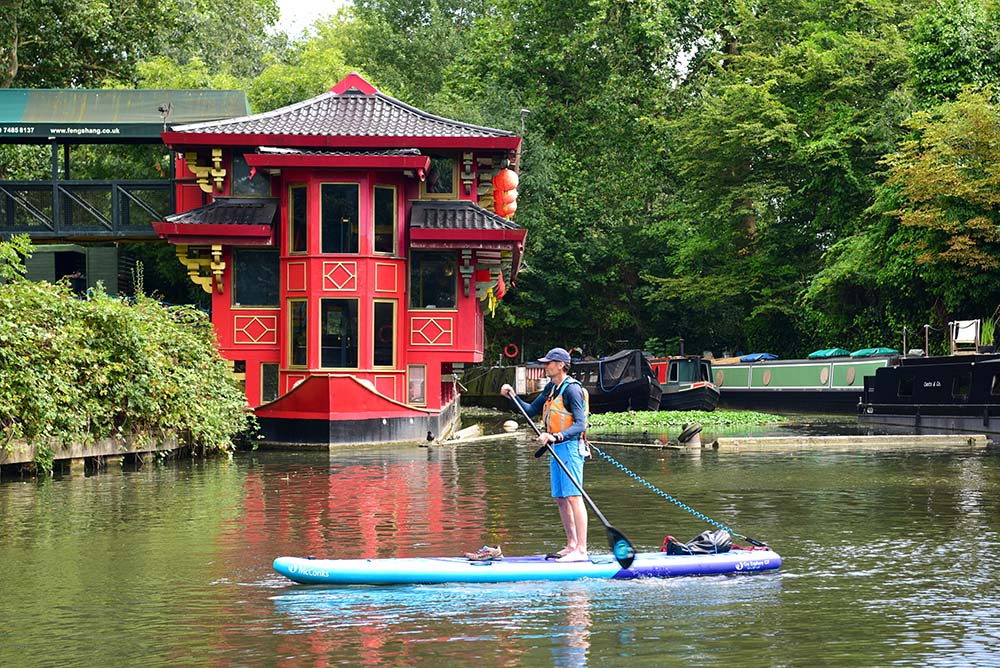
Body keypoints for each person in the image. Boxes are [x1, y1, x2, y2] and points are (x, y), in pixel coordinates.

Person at [501, 347, 589, 562]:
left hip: (570, 447)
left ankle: (582, 550)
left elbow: (580, 424)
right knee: (560, 498)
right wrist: (512, 396)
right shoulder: (552, 387)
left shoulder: (572, 390)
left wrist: (555, 436)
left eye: (549, 363)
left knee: (573, 497)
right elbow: (530, 410)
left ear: (561, 365)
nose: (545, 366)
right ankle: (570, 545)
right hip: (555, 447)